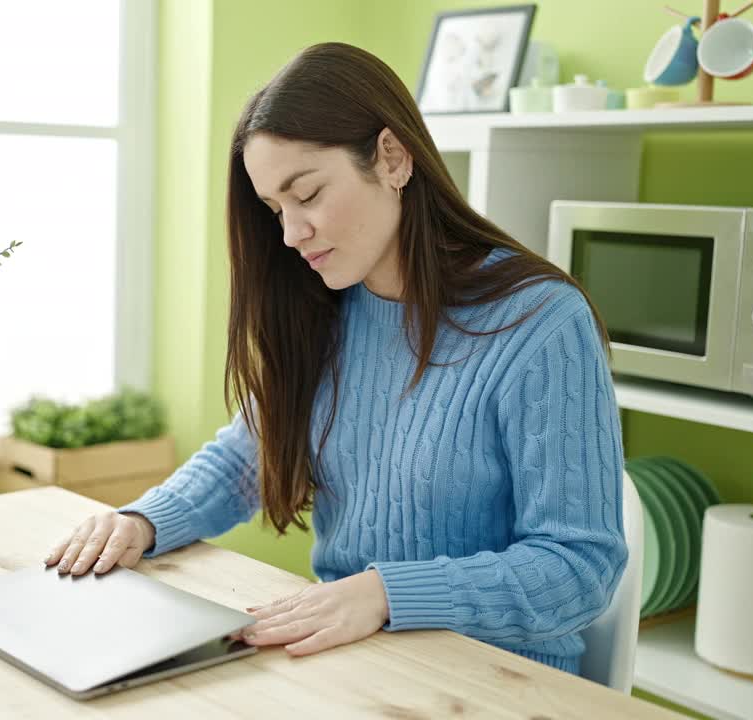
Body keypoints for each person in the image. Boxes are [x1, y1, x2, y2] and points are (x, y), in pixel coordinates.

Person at [44, 41, 627, 675]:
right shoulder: (325, 306)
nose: (292, 234)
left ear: (393, 157)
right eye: (275, 211)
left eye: (309, 194)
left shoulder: (540, 323)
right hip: (355, 665)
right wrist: (143, 522)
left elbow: (579, 569)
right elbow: (248, 456)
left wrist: (385, 594)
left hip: (499, 679)